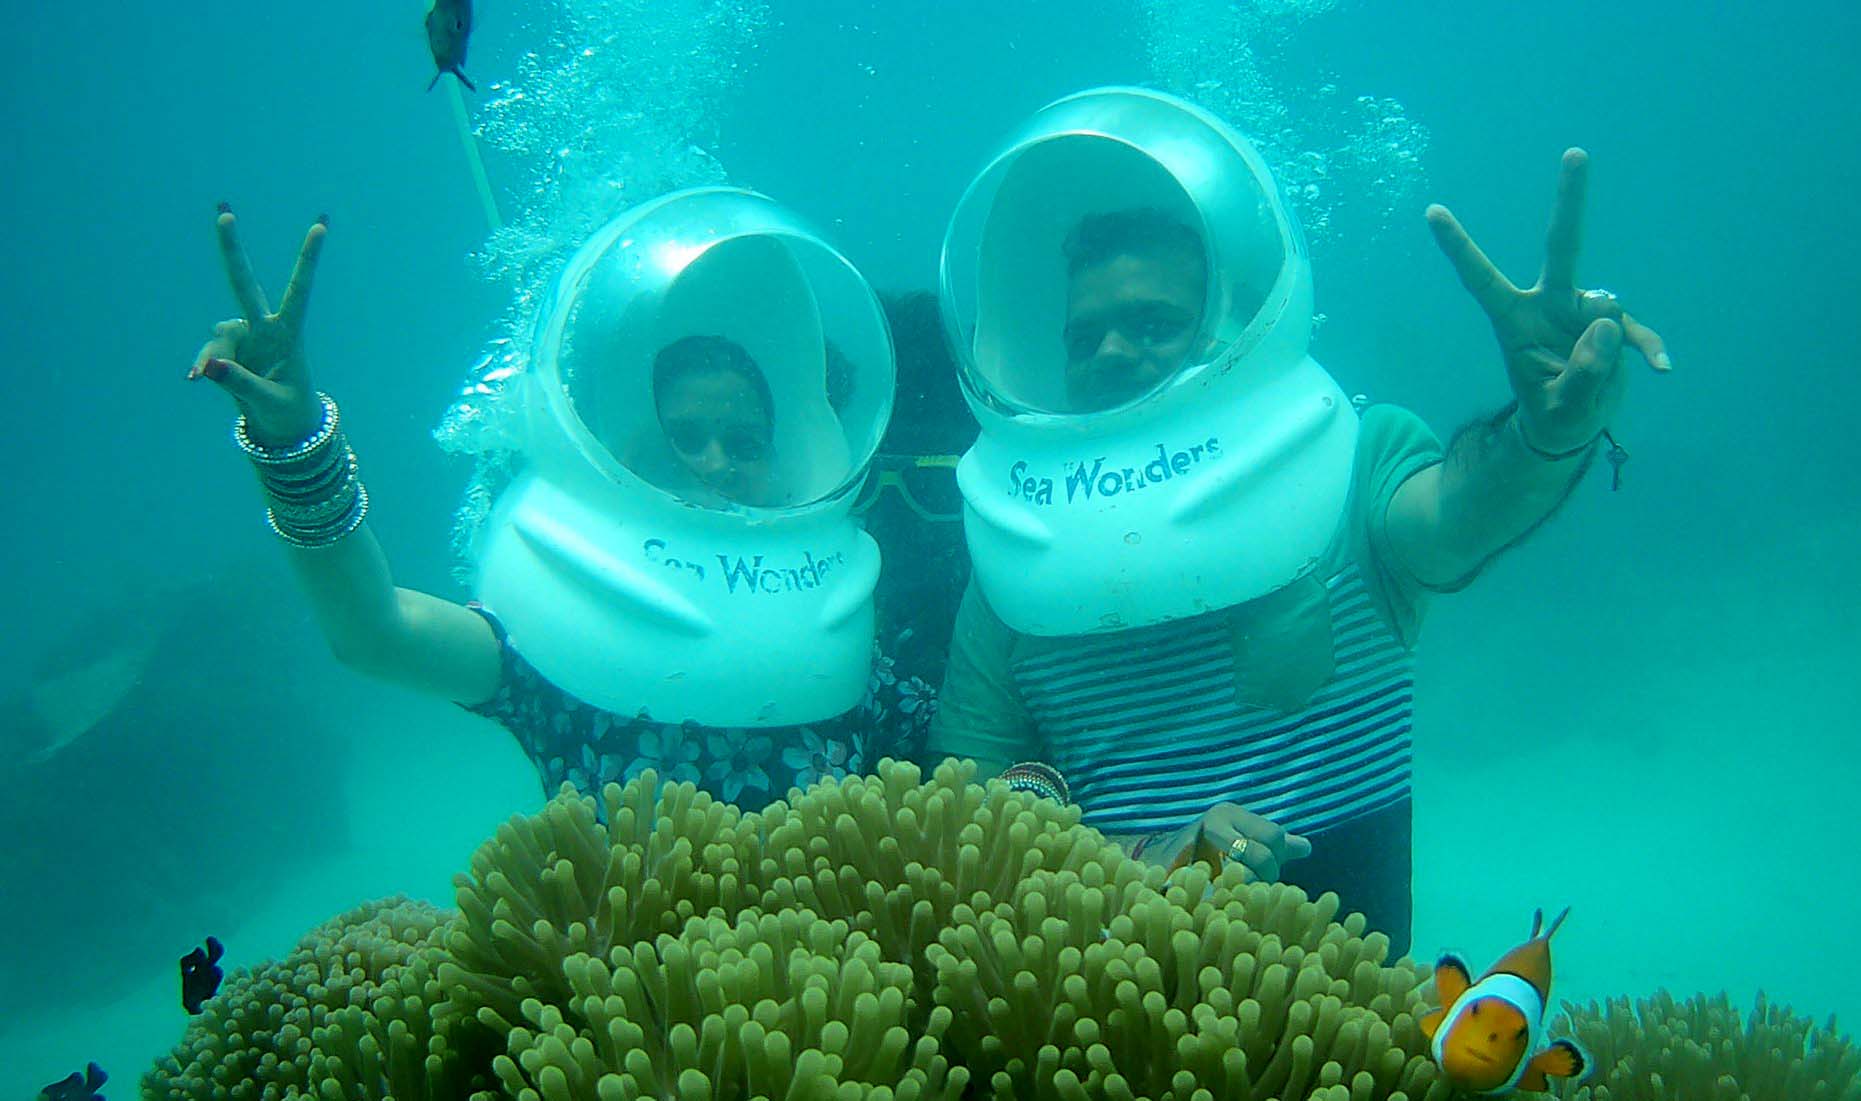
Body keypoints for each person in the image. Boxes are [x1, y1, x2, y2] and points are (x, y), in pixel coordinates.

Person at [926, 87, 1670, 954]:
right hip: (1103, 1023)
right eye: (1083, 336)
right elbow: (970, 804)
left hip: (1345, 1034)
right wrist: (1139, 860)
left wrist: (1546, 433)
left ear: (1233, 323)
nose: (1113, 352)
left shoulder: (1353, 464)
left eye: (1153, 322)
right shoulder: (1013, 558)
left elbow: (1464, 512)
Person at [188, 188, 936, 813]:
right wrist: (294, 444)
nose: (718, 463)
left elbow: (960, 764)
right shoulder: (555, 637)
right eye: (688, 436)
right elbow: (374, 632)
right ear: (635, 452)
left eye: (745, 442)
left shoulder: (845, 629)